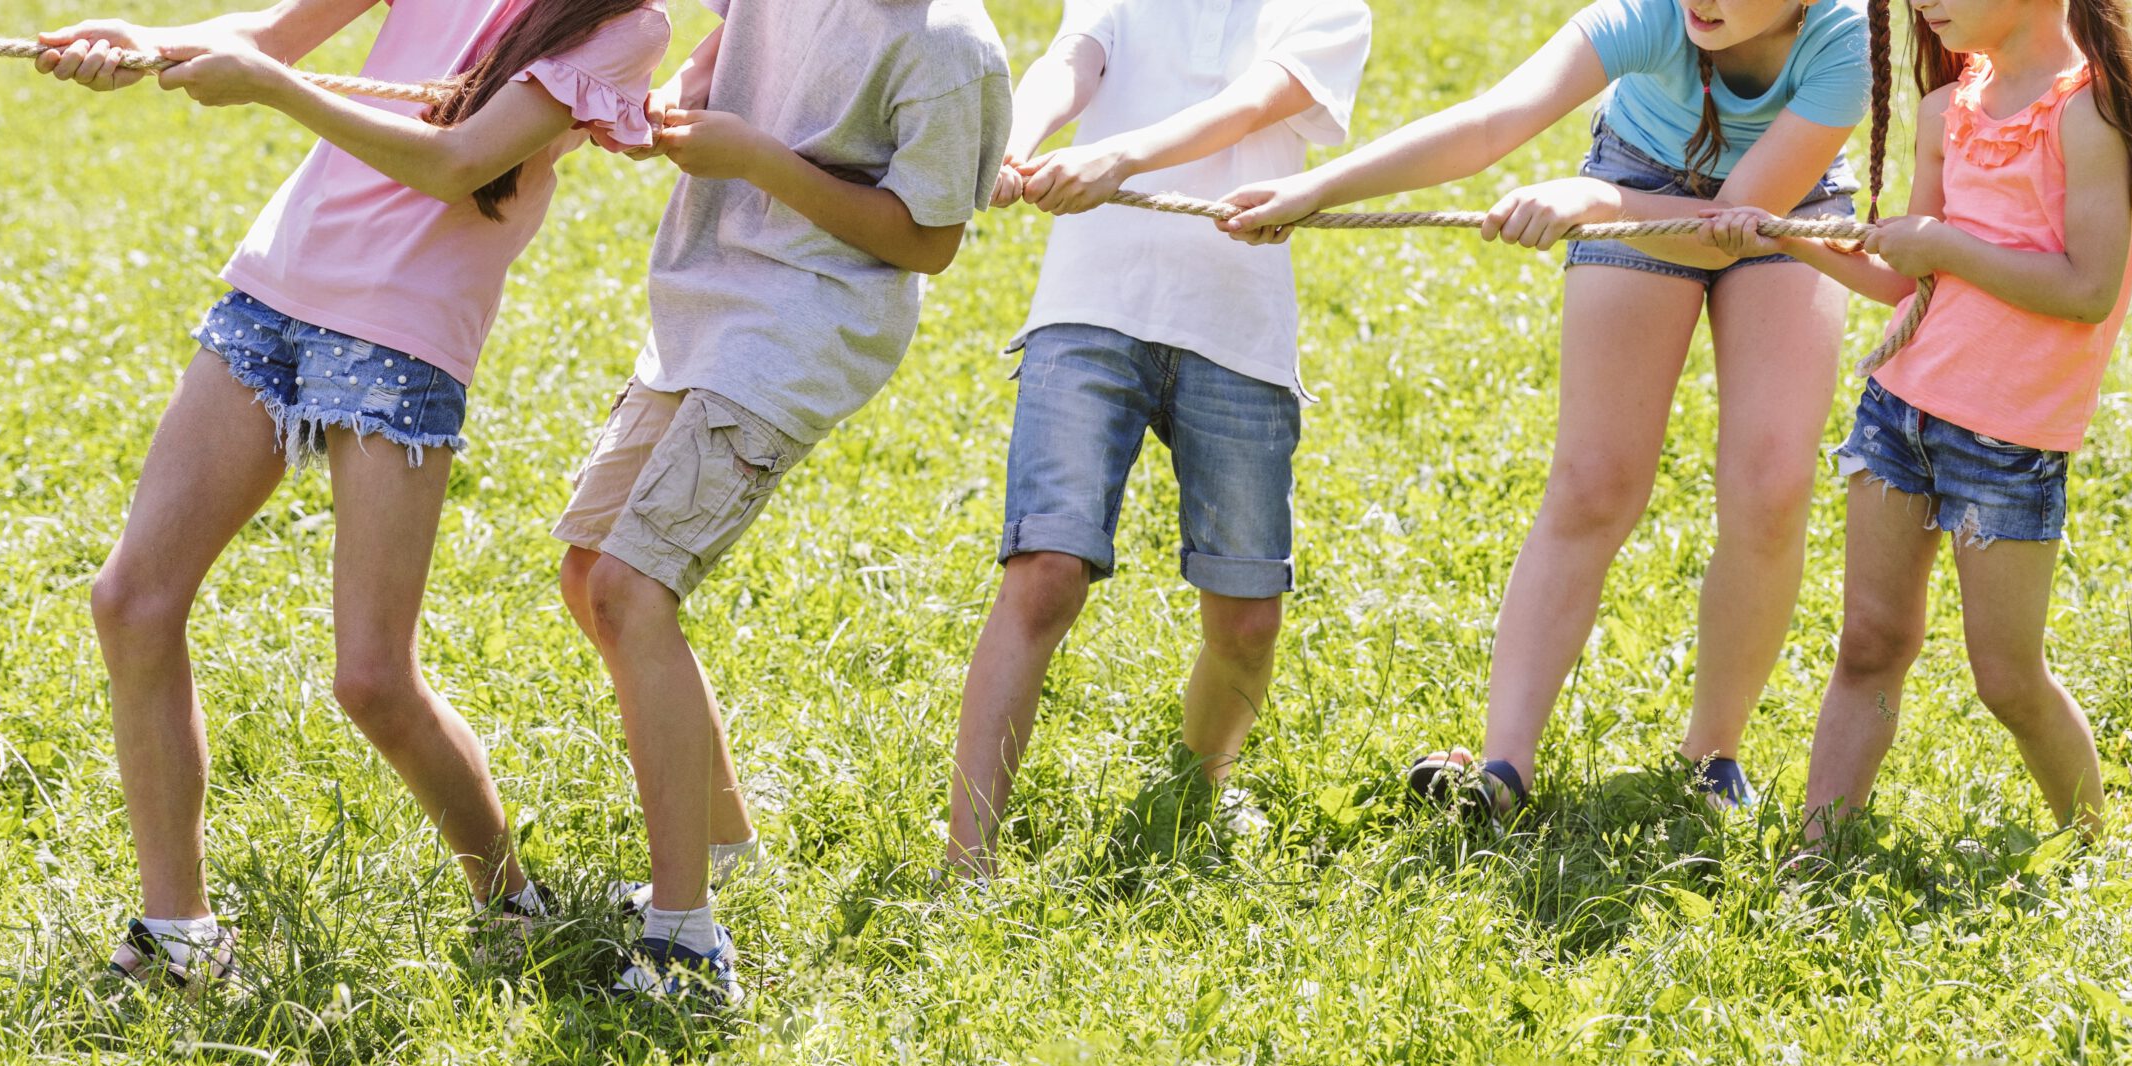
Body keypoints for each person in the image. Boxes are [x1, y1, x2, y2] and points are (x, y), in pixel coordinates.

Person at [35, 0, 676, 989]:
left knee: (372, 677)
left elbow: (456, 164)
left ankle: (511, 899)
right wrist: (144, 43)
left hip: (398, 335)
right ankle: (180, 933)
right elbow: (273, 34)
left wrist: (275, 91)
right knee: (131, 600)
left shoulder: (621, 27)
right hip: (274, 293)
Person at [1222, 0, 1875, 821]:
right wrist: (1312, 186)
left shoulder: (1847, 41)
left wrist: (1590, 203)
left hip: (1783, 215)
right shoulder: (1652, 14)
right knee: (1595, 480)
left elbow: (1732, 225)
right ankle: (1503, 768)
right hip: (1637, 172)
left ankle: (1711, 758)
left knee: (1771, 485)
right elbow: (1494, 119)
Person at [551, 0, 1011, 1007]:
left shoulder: (949, 49)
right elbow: (735, 40)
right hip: (704, 300)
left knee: (633, 586)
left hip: (805, 321)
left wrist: (755, 160)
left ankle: (685, 944)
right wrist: (678, 103)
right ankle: (727, 854)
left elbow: (926, 241)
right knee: (589, 574)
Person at [1711, 0, 2132, 843]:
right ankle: (1816, 857)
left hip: (2009, 444)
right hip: (1901, 412)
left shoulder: (2088, 114)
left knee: (2006, 677)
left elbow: (2086, 291)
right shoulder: (1946, 107)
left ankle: (2094, 844)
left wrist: (1944, 247)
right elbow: (1903, 282)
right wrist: (1786, 235)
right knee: (1869, 642)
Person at [941, 0, 1374, 876]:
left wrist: (1119, 156)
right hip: (1092, 303)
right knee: (1045, 573)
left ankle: (1198, 786)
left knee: (1247, 621)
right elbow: (1077, 56)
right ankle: (965, 865)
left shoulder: (1332, 10)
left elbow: (1258, 98)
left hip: (1238, 327)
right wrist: (1017, 137)